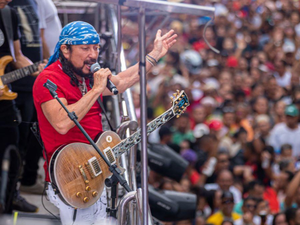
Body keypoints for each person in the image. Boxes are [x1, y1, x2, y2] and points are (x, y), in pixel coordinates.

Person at [32, 21, 177, 225]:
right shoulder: (48, 79)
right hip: (69, 175)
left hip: (93, 169)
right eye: (85, 48)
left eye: (96, 48)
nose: (93, 54)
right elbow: (62, 123)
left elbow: (123, 81)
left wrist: (154, 55)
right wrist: (96, 90)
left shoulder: (85, 74)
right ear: (65, 49)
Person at [0, 0, 43, 213]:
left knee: (15, 145)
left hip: (5, 97)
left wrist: (40, 69)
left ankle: (9, 198)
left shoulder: (8, 15)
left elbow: (17, 57)